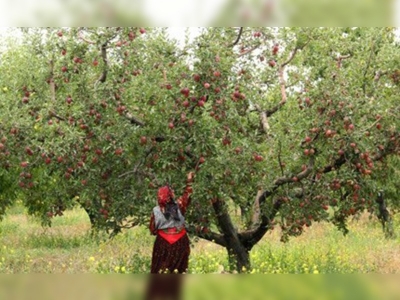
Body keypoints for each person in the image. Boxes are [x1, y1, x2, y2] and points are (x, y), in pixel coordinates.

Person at [149, 172, 194, 274]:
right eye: (172, 192)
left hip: (162, 243)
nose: (173, 192)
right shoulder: (179, 205)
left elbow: (152, 229)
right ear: (169, 195)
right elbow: (187, 196)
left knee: (161, 269)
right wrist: (189, 181)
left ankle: (161, 289)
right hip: (180, 241)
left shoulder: (155, 211)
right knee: (180, 270)